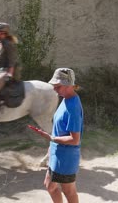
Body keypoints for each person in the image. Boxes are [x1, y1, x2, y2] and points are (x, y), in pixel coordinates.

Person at [34, 68, 84, 203]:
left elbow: (74, 140)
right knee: (50, 185)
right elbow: (59, 128)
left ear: (68, 85)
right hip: (57, 153)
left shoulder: (73, 106)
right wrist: (50, 150)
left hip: (66, 159)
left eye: (58, 86)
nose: (55, 89)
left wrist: (51, 138)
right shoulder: (65, 99)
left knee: (69, 192)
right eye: (54, 86)